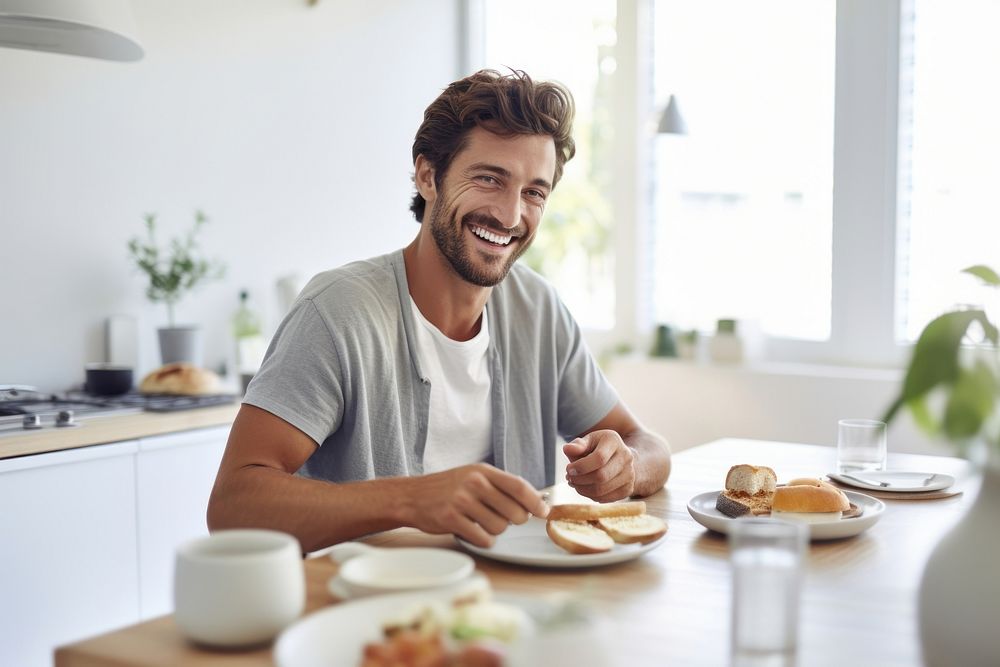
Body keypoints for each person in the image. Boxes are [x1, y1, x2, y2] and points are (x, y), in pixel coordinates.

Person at [207, 69, 671, 553]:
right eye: (490, 179)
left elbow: (646, 442)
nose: (511, 216)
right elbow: (233, 507)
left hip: (506, 605)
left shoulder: (538, 310)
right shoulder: (337, 313)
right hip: (365, 608)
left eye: (534, 192)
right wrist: (409, 499)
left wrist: (627, 466)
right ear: (428, 176)